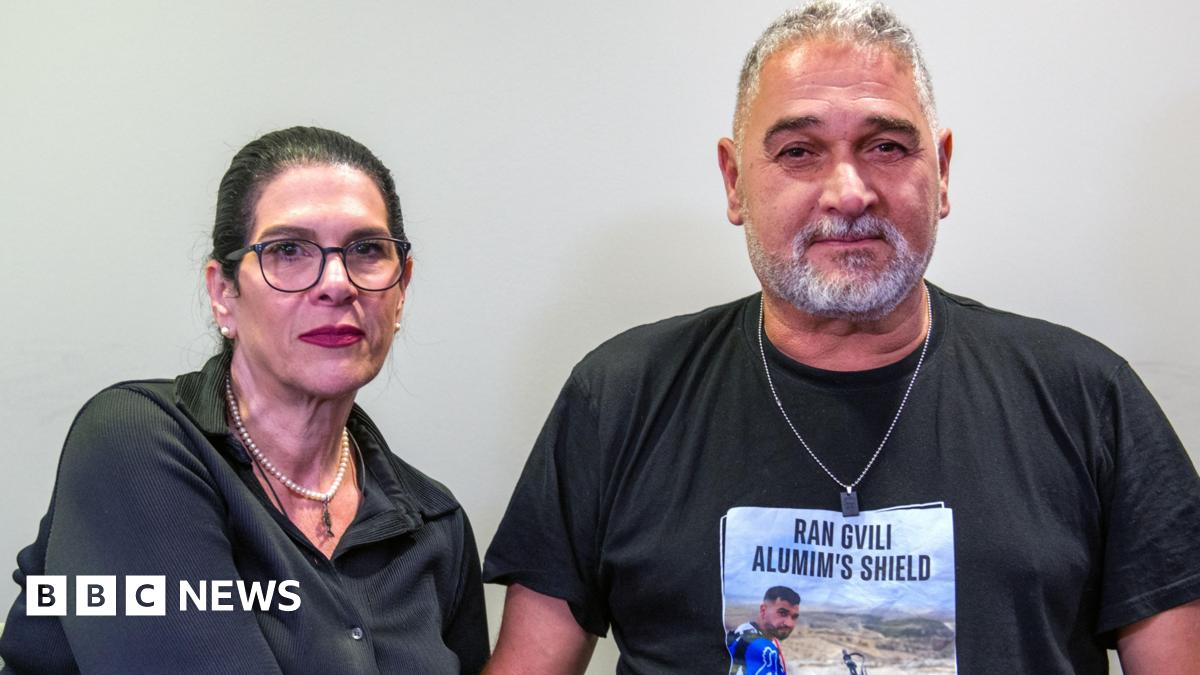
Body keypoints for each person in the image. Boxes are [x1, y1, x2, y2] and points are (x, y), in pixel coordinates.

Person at [481, 2, 1200, 673]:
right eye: (799, 152)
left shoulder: (1086, 399)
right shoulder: (618, 398)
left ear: (941, 171)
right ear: (734, 182)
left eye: (886, 145)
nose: (848, 191)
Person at [0, 127, 489, 674]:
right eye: (288, 250)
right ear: (223, 294)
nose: (336, 283)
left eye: (367, 250)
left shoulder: (436, 524)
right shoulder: (134, 443)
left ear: (401, 292)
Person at [727, 587, 801, 675]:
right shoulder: (751, 643)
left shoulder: (771, 640)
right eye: (782, 613)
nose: (789, 623)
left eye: (794, 617)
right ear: (763, 610)